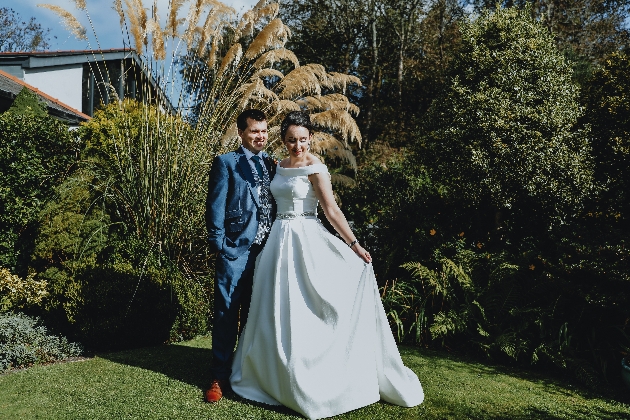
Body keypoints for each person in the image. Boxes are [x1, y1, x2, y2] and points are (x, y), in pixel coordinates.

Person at [230, 111, 424, 419]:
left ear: (310, 138)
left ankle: (313, 369)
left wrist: (354, 244)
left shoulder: (315, 167)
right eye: (291, 140)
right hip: (277, 242)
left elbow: (331, 211)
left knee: (308, 306)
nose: (298, 146)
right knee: (275, 308)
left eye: (303, 140)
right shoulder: (277, 166)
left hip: (306, 237)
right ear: (284, 140)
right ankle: (273, 372)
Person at [204, 109, 276, 403]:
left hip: (267, 251)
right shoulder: (227, 163)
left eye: (264, 131)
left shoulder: (272, 165)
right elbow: (215, 205)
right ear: (241, 134)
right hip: (235, 250)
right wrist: (219, 244)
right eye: (254, 131)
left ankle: (245, 371)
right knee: (226, 312)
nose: (261, 136)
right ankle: (219, 375)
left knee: (254, 313)